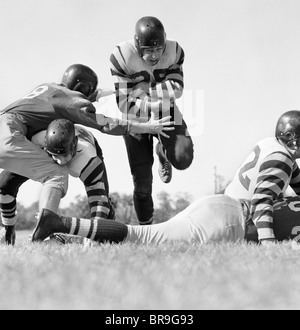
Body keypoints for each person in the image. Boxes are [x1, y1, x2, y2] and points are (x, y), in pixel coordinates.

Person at [0, 64, 173, 244]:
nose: (59, 161)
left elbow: (93, 94)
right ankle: (44, 232)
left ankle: (8, 233)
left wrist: (123, 90)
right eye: (85, 94)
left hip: (7, 126)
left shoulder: (51, 88)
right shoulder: (66, 105)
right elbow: (105, 122)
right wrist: (147, 127)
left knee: (6, 184)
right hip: (11, 134)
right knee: (55, 173)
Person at [110, 16, 194, 225]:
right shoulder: (121, 56)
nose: (155, 55)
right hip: (135, 118)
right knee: (142, 182)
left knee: (183, 157)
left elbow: (177, 88)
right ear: (138, 47)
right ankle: (146, 227)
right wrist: (149, 105)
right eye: (149, 50)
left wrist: (143, 91)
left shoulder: (174, 52)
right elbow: (123, 104)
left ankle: (163, 151)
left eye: (159, 49)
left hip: (165, 109)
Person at [30, 192, 300, 246]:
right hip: (229, 224)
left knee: (144, 235)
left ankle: (70, 237)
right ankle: (58, 223)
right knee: (141, 236)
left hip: (222, 203)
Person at [225, 110, 300, 245]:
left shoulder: (272, 144)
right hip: (242, 218)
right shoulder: (281, 159)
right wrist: (267, 239)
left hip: (234, 207)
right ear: (291, 137)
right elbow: (261, 200)